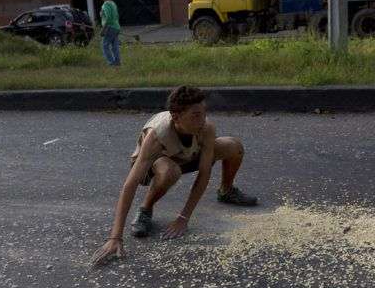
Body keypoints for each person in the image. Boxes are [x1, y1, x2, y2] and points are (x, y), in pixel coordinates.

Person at [91, 86, 258, 266]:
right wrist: (115, 237)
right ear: (176, 116)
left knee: (234, 146)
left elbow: (204, 174)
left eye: (204, 112)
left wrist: (183, 218)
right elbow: (130, 184)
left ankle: (226, 191)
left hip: (187, 155)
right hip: (158, 163)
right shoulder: (156, 135)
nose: (202, 119)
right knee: (170, 172)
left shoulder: (205, 127)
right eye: (195, 115)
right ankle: (145, 209)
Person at [99, 0, 121, 66]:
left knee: (105, 45)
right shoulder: (112, 3)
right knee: (115, 46)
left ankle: (111, 63)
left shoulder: (106, 4)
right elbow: (116, 16)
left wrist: (103, 30)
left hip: (110, 27)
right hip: (116, 27)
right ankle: (117, 62)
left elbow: (108, 18)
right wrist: (102, 14)